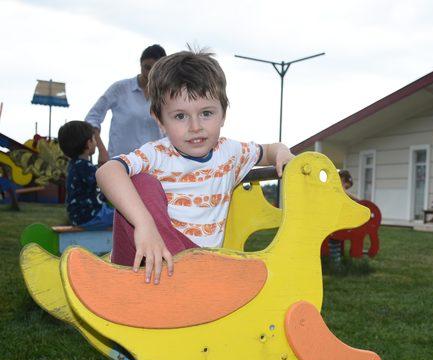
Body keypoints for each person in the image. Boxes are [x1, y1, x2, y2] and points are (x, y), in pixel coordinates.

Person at [96, 49, 294, 285]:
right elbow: (107, 171)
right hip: (149, 259)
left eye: (207, 113)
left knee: (202, 263)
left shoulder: (229, 152)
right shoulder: (158, 154)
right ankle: (180, 276)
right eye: (180, 116)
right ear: (159, 120)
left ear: (223, 114)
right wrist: (144, 224)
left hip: (200, 264)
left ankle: (193, 277)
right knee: (141, 182)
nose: (195, 126)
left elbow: (270, 150)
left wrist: (283, 153)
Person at [85, 44, 167, 164]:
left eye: (155, 69)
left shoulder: (166, 94)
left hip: (154, 164)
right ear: (140, 65)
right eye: (147, 67)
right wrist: (102, 150)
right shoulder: (120, 89)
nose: (150, 73)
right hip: (121, 163)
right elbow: (92, 118)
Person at [58, 120, 114, 230]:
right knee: (124, 215)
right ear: (89, 143)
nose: (95, 142)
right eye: (94, 139)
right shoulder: (85, 167)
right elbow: (104, 185)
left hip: (78, 217)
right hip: (92, 216)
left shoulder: (74, 166)